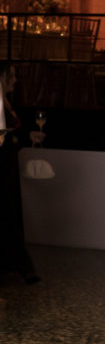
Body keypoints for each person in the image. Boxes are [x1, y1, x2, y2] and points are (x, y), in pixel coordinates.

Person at [0, 63, 39, 284]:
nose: (15, 80)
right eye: (12, 76)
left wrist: (26, 138)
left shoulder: (6, 103)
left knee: (10, 212)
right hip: (3, 166)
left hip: (9, 164)